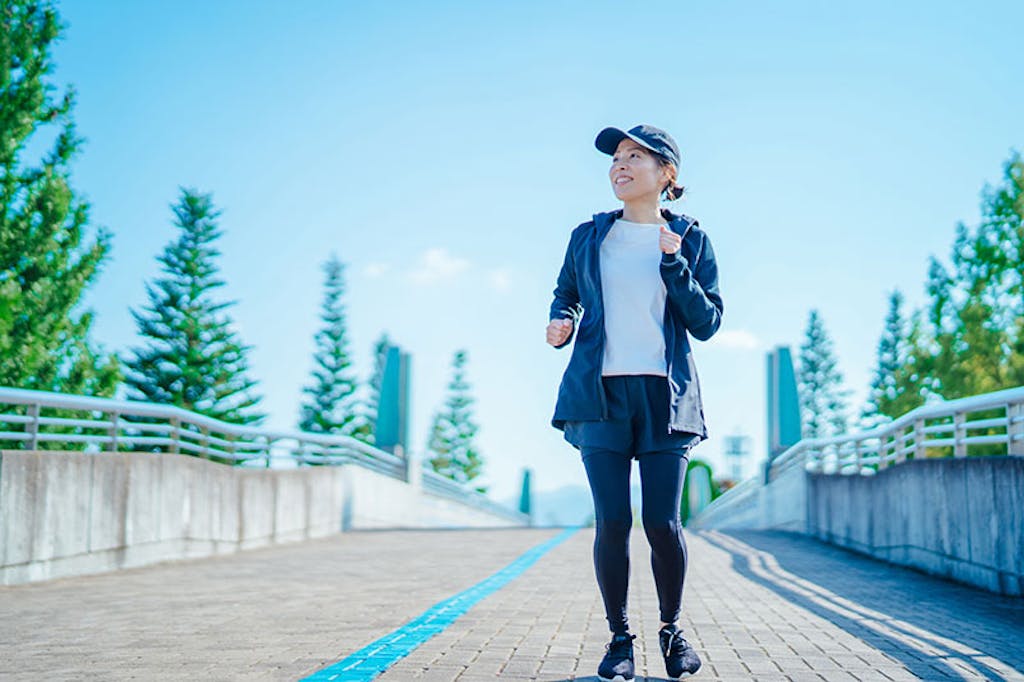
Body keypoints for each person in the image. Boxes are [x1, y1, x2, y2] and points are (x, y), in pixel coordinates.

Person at [546, 124, 723, 681]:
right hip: (599, 395)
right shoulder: (589, 235)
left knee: (663, 523)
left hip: (664, 397)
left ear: (666, 174)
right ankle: (619, 637)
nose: (619, 166)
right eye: (616, 158)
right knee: (613, 521)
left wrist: (675, 263)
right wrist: (562, 319)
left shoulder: (690, 238)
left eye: (634, 157)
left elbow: (708, 322)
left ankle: (672, 631)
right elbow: (566, 291)